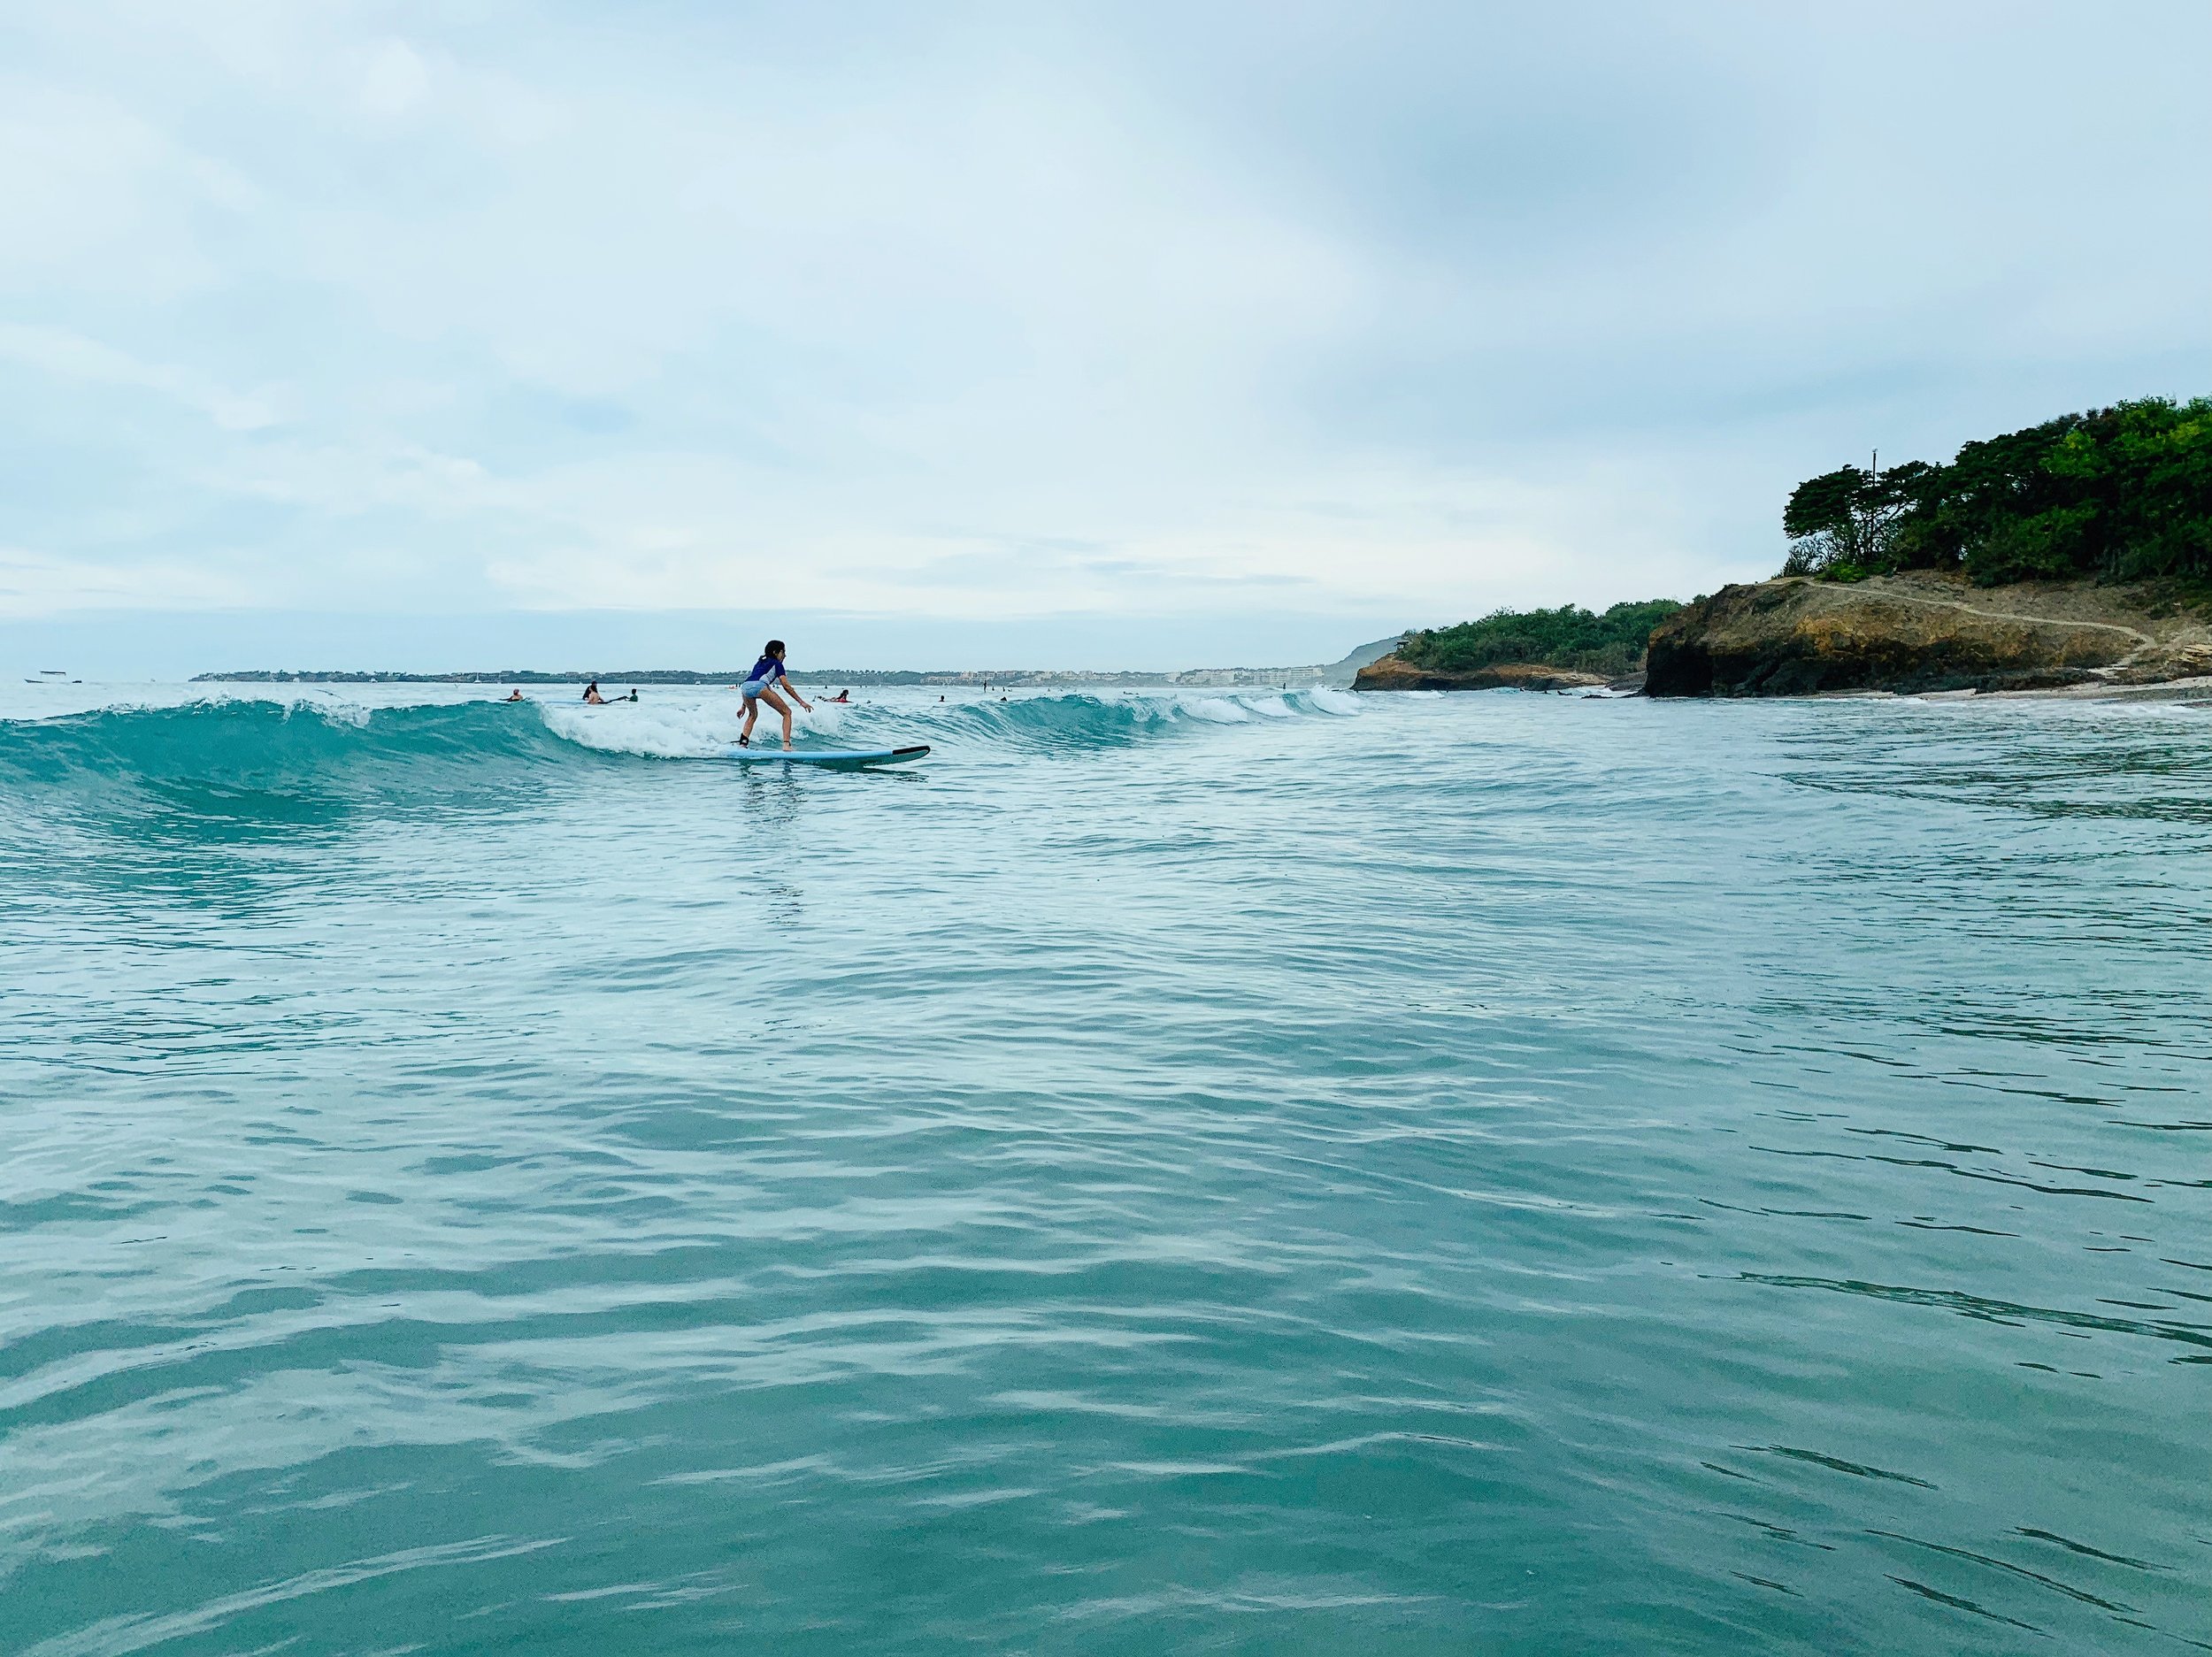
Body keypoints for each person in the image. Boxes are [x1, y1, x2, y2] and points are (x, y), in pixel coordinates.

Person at [736, 640, 813, 749]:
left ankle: (743, 744)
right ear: (775, 652)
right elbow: (786, 686)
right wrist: (802, 702)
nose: (785, 655)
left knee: (752, 715)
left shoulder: (759, 663)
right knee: (787, 712)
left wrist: (743, 707)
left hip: (745, 687)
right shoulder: (777, 664)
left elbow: (751, 683)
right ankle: (786, 745)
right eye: (783, 652)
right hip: (760, 686)